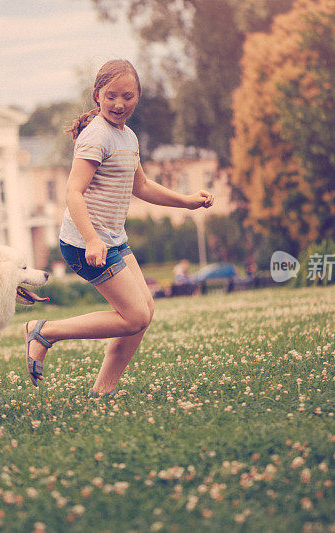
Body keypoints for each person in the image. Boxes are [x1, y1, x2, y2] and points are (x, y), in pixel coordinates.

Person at [24, 59, 214, 395]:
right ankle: (45, 331)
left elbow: (140, 186)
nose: (119, 103)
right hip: (85, 243)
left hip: (112, 239)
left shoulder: (127, 137)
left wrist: (187, 201)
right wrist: (92, 239)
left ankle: (103, 390)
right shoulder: (96, 136)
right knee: (135, 316)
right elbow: (72, 192)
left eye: (128, 96)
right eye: (111, 95)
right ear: (97, 95)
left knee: (143, 312)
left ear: (138, 97)